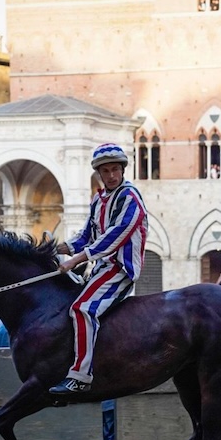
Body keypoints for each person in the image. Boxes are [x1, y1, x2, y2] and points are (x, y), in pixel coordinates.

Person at [50, 143, 148, 395]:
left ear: (123, 170)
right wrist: (60, 248)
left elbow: (115, 236)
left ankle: (81, 377)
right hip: (100, 268)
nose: (112, 175)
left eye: (116, 169)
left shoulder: (130, 198)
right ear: (99, 174)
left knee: (82, 309)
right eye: (106, 171)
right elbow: (87, 235)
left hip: (120, 269)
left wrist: (77, 259)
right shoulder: (98, 199)